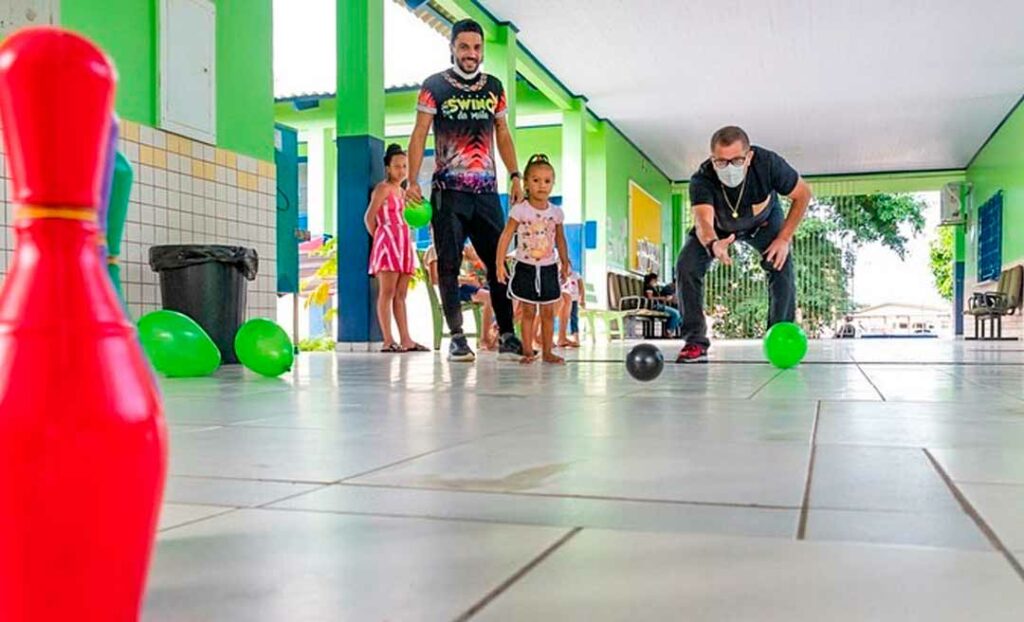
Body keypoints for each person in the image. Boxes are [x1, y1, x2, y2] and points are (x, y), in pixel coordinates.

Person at [406, 18, 524, 362]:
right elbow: (419, 133)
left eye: (476, 47)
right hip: (448, 192)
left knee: (498, 263)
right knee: (448, 263)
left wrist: (515, 175)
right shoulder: (434, 86)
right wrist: (412, 180)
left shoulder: (494, 87)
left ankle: (507, 335)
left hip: (486, 193)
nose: (471, 53)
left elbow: (503, 132)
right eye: (464, 47)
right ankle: (457, 337)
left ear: (482, 50)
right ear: (453, 48)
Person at [675, 126, 812, 363]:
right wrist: (713, 244)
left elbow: (803, 194)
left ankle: (779, 335)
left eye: (737, 161)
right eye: (721, 162)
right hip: (719, 229)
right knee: (686, 265)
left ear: (749, 157)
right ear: (712, 160)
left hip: (764, 223)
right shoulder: (702, 179)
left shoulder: (769, 164)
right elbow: (703, 222)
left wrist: (783, 239)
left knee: (781, 263)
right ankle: (694, 341)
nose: (729, 168)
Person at [497, 154, 570, 364]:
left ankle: (547, 351)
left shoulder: (556, 213)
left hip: (548, 268)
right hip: (525, 267)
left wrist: (565, 262)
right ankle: (528, 351)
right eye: (536, 180)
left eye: (547, 181)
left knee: (548, 312)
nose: (542, 185)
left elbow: (560, 239)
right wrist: (499, 263)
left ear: (553, 184)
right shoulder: (520, 210)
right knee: (527, 311)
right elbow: (506, 235)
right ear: (526, 183)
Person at [365, 144, 428, 353]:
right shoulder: (383, 189)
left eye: (404, 166)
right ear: (388, 168)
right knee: (387, 292)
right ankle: (388, 340)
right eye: (397, 166)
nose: (401, 171)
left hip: (403, 245)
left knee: (401, 294)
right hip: (388, 245)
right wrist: (381, 238)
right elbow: (369, 218)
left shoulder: (403, 192)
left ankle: (406, 339)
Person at [424, 242, 497, 350]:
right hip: (451, 290)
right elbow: (435, 279)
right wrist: (467, 280)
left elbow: (479, 267)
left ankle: (494, 333)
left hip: (462, 286)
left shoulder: (453, 248)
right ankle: (485, 339)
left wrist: (474, 259)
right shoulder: (434, 250)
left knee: (499, 294)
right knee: (489, 297)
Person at [557, 268, 584, 347]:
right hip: (564, 300)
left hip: (574, 300)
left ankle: (576, 337)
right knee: (563, 316)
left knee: (574, 317)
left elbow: (581, 287)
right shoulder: (560, 276)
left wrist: (582, 299)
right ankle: (561, 337)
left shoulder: (576, 275)